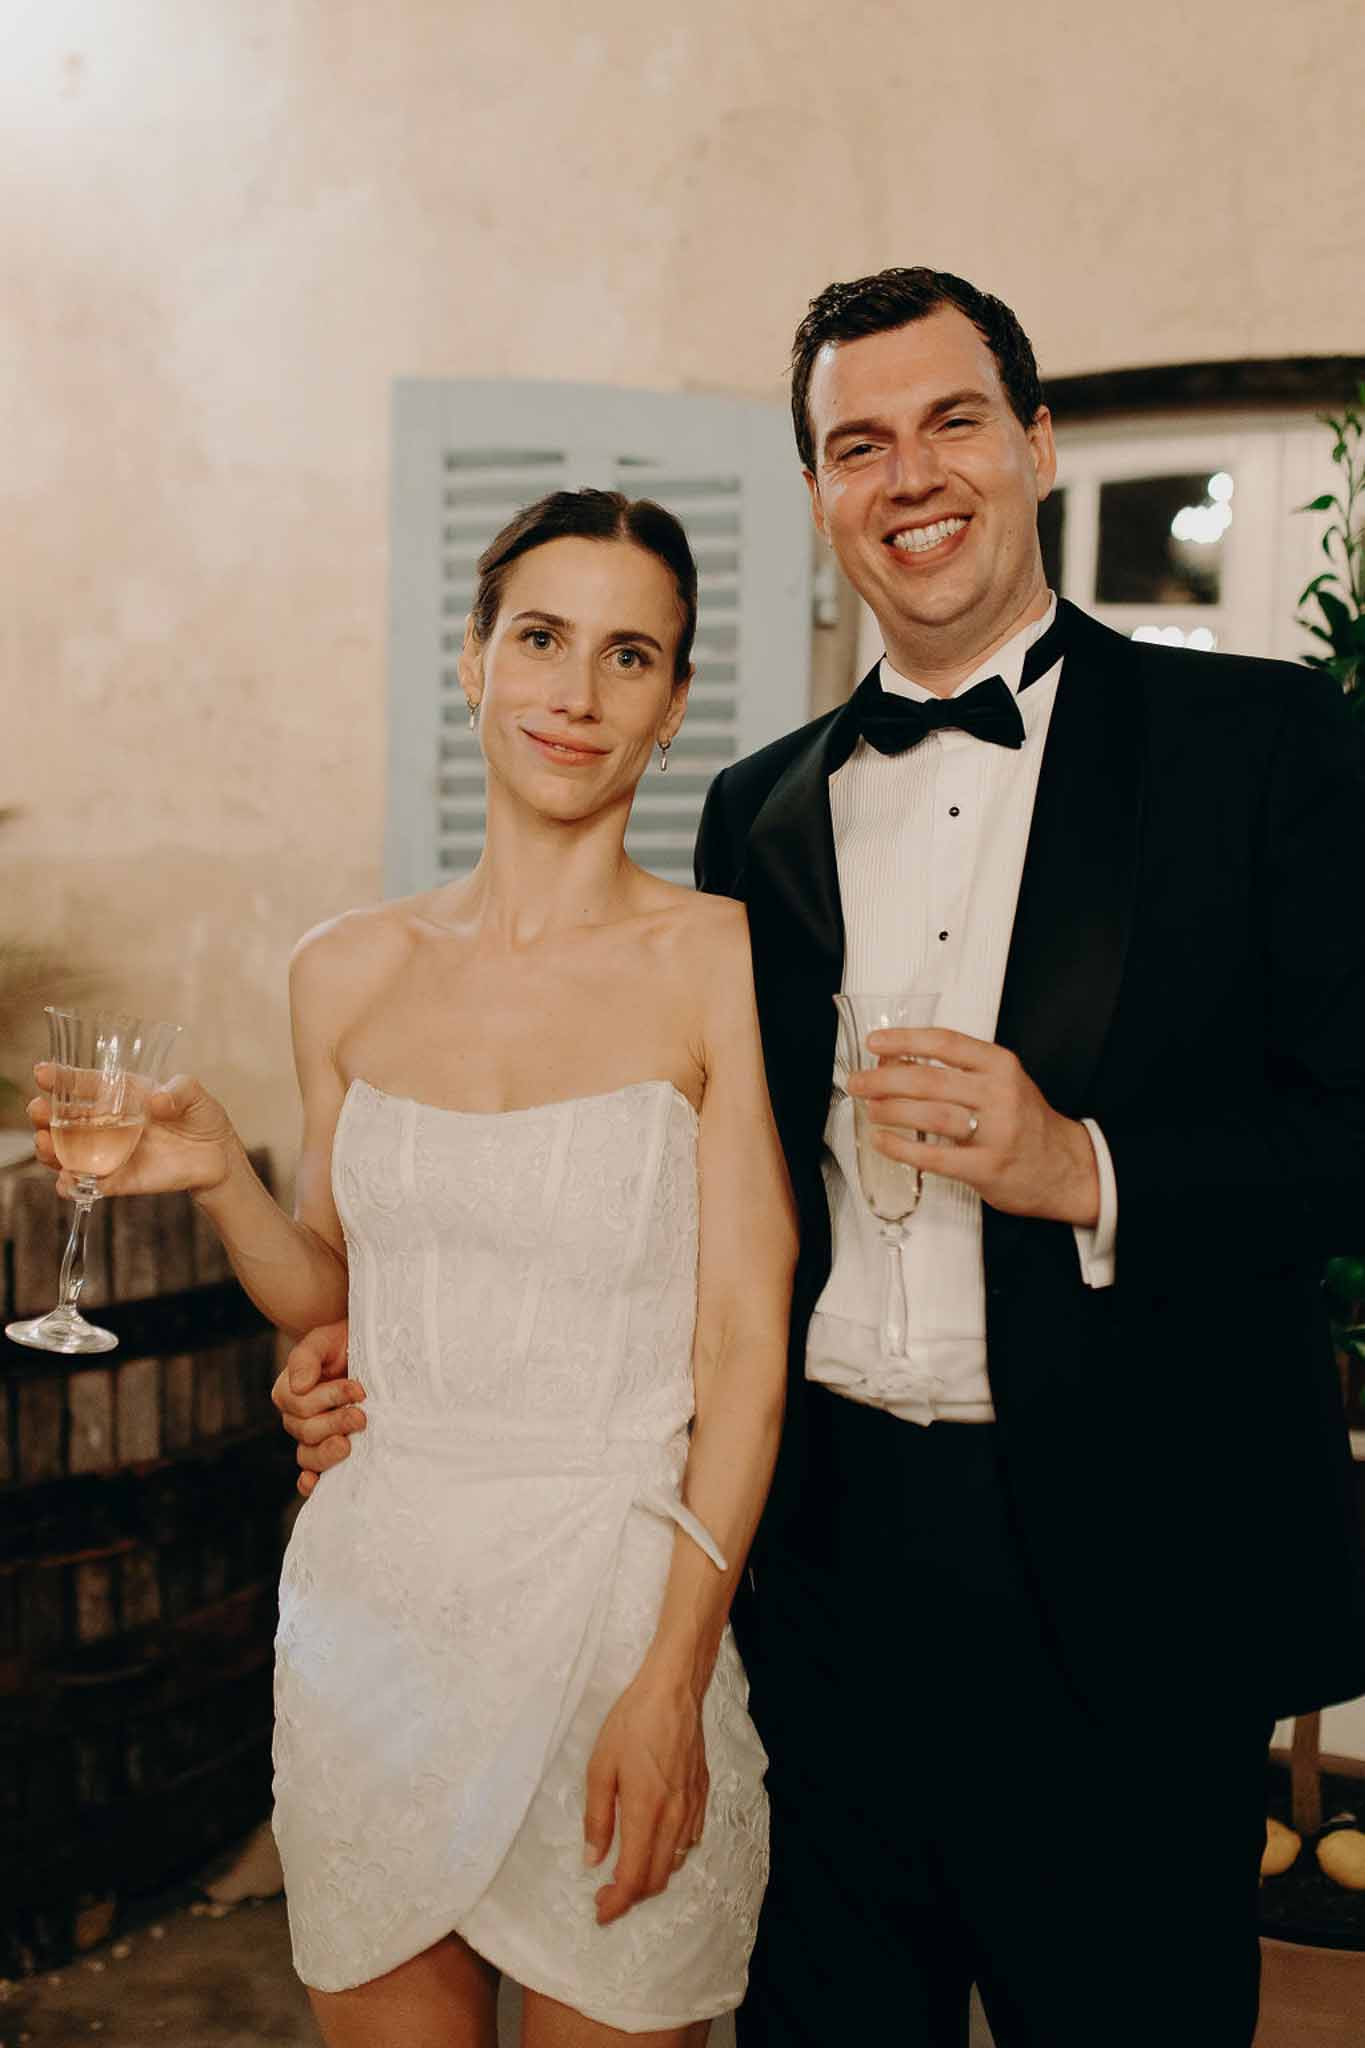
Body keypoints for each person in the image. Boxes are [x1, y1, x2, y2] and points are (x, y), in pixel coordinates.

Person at [276, 268, 1365, 2048]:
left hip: (1119, 1573)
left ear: (1032, 443)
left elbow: (1351, 1135)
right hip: (823, 1581)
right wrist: (372, 1362)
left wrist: (1081, 1161)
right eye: (856, 442)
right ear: (814, 493)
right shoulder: (755, 809)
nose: (908, 474)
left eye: (951, 423)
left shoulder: (1253, 746)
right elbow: (676, 1215)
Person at [30, 489, 795, 2048]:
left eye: (627, 654)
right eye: (539, 638)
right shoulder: (345, 970)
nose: (575, 693)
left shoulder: (723, 961)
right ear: (473, 662)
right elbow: (334, 1301)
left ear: (669, 706)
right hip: (376, 1612)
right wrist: (222, 1178)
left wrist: (672, 1678)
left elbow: (744, 1353)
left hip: (616, 1609)